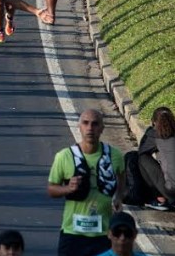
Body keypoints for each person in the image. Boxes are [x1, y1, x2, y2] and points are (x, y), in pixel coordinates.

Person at [48, 109, 126, 256]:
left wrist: (118, 197)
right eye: (85, 123)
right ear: (79, 126)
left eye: (95, 124)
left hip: (103, 235)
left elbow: (122, 182)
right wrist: (68, 189)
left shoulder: (115, 156)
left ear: (102, 128)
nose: (90, 128)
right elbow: (51, 189)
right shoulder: (64, 156)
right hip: (72, 234)